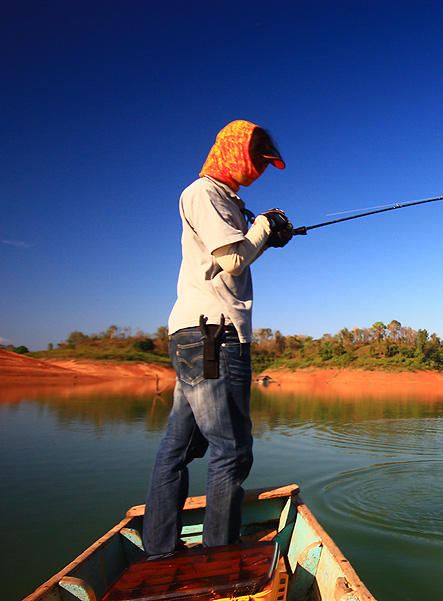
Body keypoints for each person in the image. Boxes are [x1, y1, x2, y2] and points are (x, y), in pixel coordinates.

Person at [143, 120, 294, 555]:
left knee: (180, 445)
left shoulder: (224, 199)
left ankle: (159, 550)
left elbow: (237, 252)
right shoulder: (204, 192)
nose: (260, 170)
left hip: (197, 333)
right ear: (231, 152)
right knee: (232, 449)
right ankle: (220, 555)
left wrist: (263, 235)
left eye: (265, 164)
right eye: (256, 160)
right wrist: (264, 227)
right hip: (215, 335)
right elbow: (232, 260)